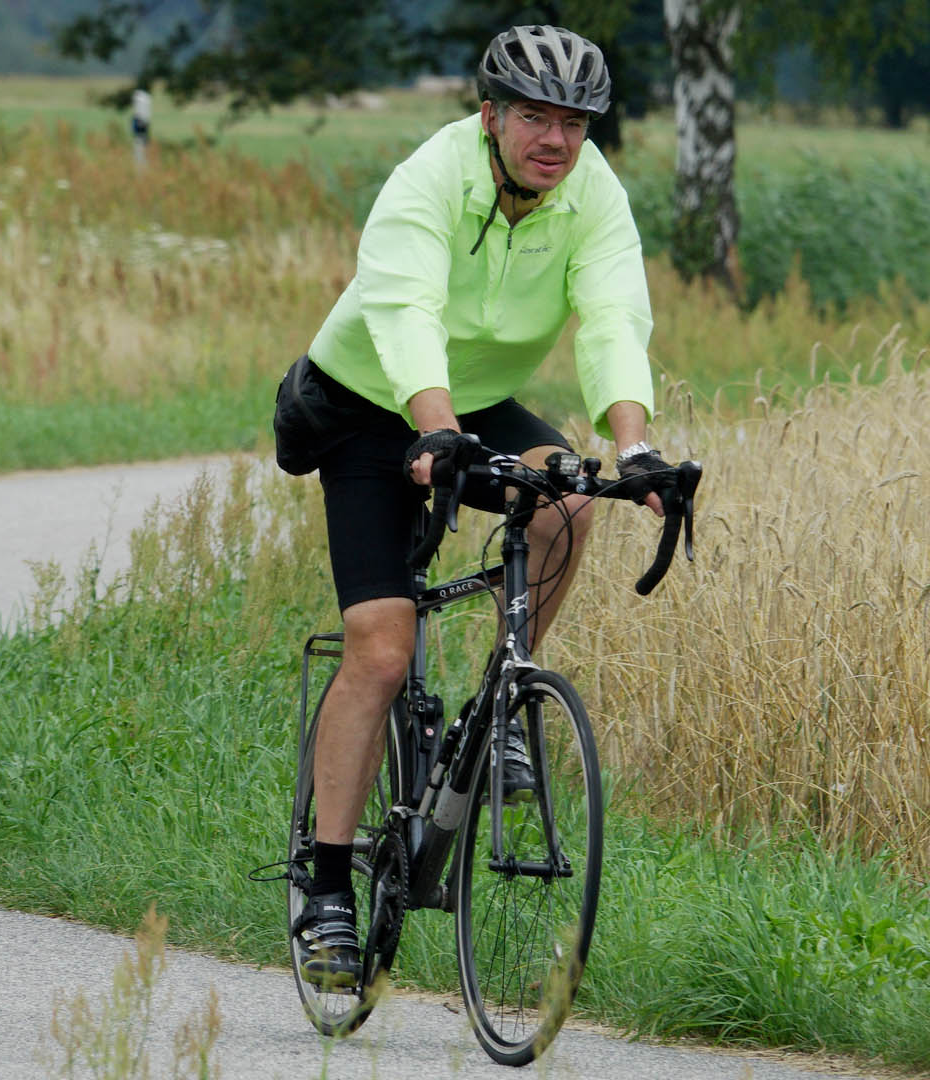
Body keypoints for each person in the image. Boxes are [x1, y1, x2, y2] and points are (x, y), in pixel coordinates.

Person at [271, 24, 677, 988]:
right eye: (535, 116)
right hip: (373, 403)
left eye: (575, 122)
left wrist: (637, 446)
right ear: (489, 115)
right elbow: (405, 308)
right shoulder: (428, 178)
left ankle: (504, 705)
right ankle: (327, 885)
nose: (557, 139)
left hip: (477, 397)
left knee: (569, 501)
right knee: (382, 645)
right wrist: (434, 428)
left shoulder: (591, 189)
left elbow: (613, 313)